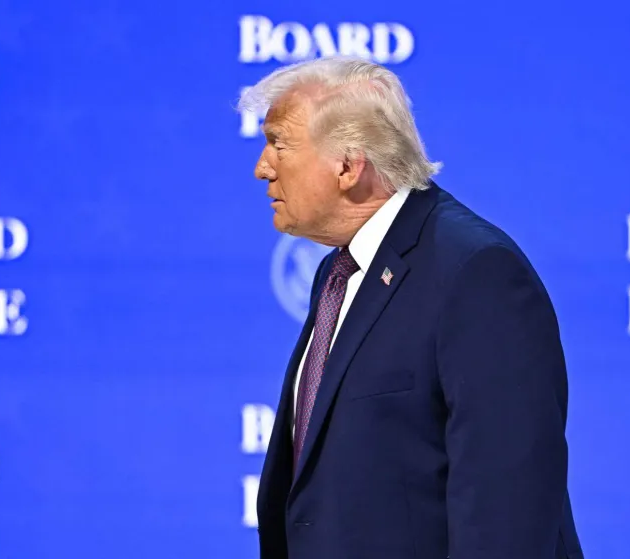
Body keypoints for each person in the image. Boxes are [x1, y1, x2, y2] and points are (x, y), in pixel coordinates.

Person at [238, 56, 585, 559]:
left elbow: (507, 507)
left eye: (278, 144)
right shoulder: (340, 271)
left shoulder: (476, 272)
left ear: (348, 165)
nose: (262, 168)